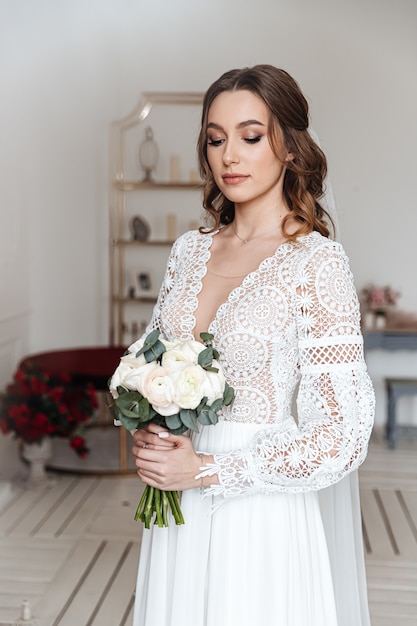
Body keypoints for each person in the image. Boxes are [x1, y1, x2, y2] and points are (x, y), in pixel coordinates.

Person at [129, 64, 375, 626]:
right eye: (215, 139)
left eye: (250, 136)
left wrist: (211, 469)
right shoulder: (189, 252)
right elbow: (151, 363)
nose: (229, 156)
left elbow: (342, 435)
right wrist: (150, 427)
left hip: (259, 514)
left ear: (290, 147)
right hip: (179, 510)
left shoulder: (316, 263)